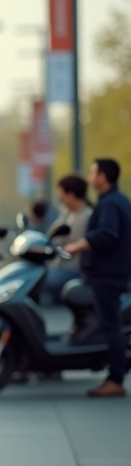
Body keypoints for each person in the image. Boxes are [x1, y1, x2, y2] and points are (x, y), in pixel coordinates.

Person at [63, 158, 131, 398]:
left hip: (108, 275)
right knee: (110, 325)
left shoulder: (111, 203)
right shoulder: (115, 201)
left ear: (103, 177)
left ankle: (115, 379)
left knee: (111, 327)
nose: (90, 177)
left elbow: (107, 234)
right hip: (111, 273)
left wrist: (78, 245)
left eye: (94, 173)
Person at [42, 174, 91, 307]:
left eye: (62, 192)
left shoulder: (86, 217)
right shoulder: (67, 213)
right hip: (59, 265)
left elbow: (73, 247)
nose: (60, 197)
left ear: (71, 194)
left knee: (42, 279)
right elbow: (53, 236)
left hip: (73, 269)